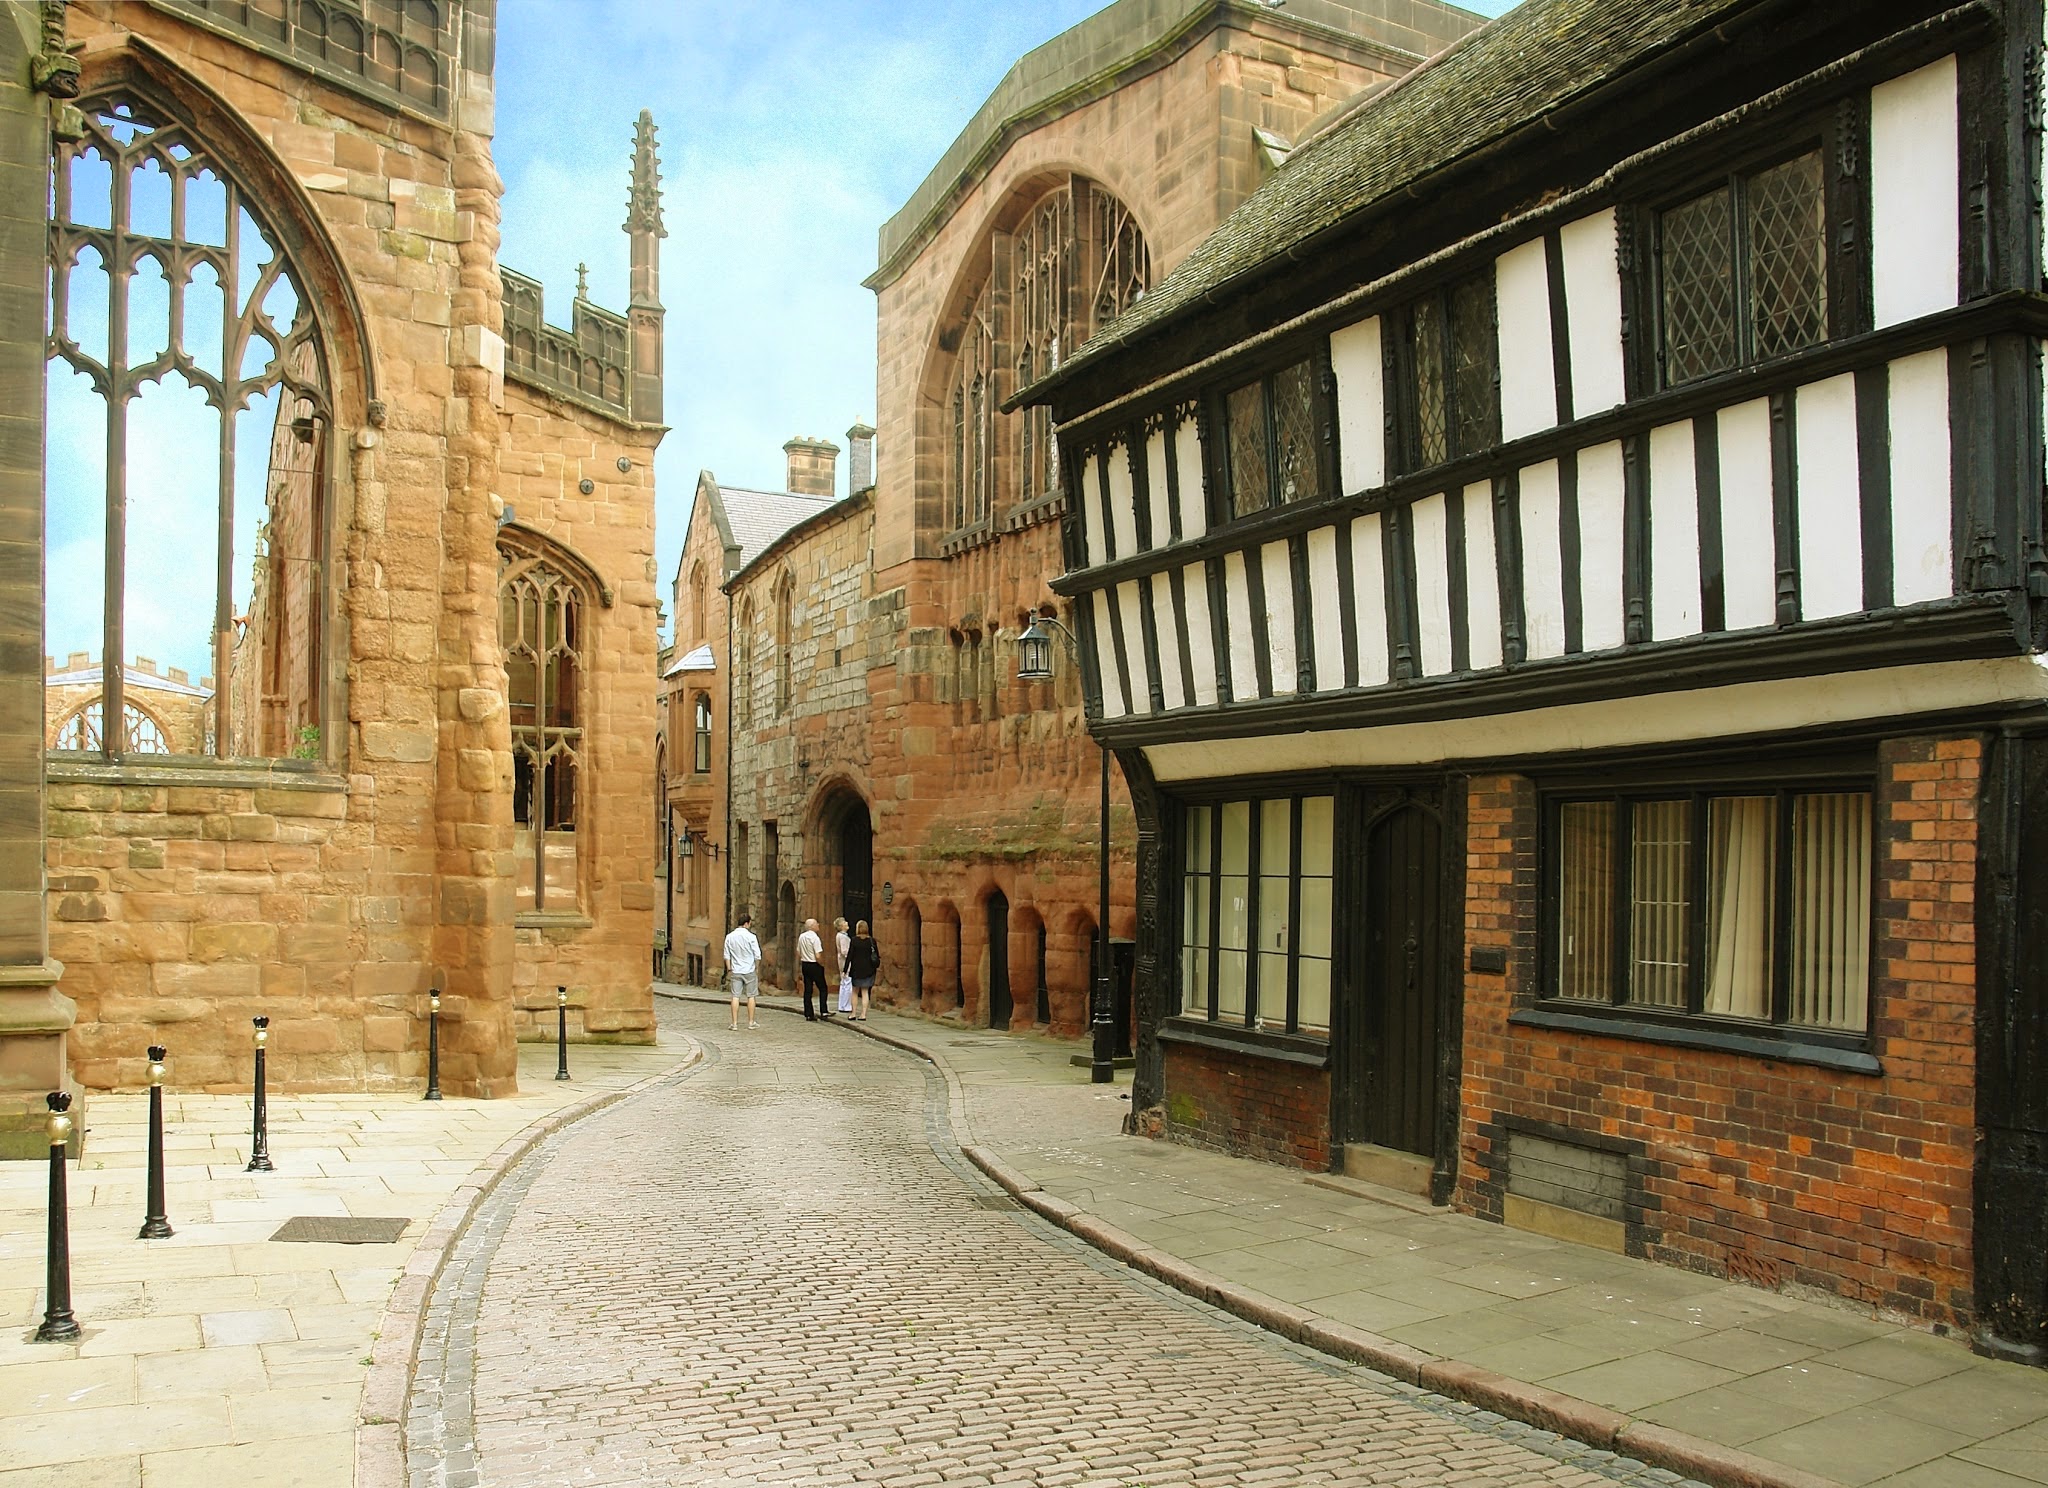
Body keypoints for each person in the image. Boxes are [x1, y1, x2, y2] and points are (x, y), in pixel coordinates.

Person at [723, 911, 761, 1030]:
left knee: (735, 996)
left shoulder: (729, 937)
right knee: (751, 996)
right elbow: (757, 955)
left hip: (736, 970)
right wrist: (756, 967)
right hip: (749, 970)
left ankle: (734, 1023)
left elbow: (726, 955)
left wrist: (729, 967)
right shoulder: (751, 937)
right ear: (747, 923)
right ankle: (751, 1022)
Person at [846, 919, 880, 1022]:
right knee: (865, 992)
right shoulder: (871, 941)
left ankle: (853, 1013)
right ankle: (863, 1014)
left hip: (856, 969)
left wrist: (845, 969)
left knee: (855, 992)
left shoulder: (854, 940)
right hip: (869, 969)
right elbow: (876, 955)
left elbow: (850, 956)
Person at [796, 918, 828, 1021]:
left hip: (805, 964)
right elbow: (818, 955)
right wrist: (822, 964)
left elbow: (798, 952)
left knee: (808, 989)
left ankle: (808, 1013)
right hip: (814, 964)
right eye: (816, 924)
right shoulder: (815, 938)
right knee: (823, 988)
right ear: (812, 926)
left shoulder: (802, 937)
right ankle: (823, 1011)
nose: (818, 925)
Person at [833, 916, 852, 1017]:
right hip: (845, 962)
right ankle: (846, 1005)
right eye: (844, 922)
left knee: (844, 982)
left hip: (842, 961)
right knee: (847, 982)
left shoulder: (840, 936)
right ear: (841, 926)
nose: (847, 923)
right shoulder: (843, 936)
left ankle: (843, 1004)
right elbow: (845, 951)